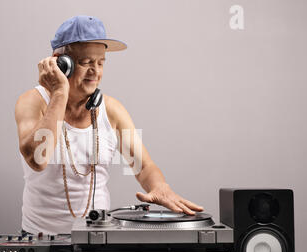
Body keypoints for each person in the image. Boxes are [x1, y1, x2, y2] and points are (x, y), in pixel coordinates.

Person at [14, 15, 204, 235]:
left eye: (101, 62)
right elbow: (37, 159)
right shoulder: (31, 102)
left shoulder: (112, 110)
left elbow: (143, 166)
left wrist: (159, 187)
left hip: (96, 237)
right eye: (86, 62)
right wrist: (59, 92)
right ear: (60, 63)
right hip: (40, 239)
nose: (95, 71)